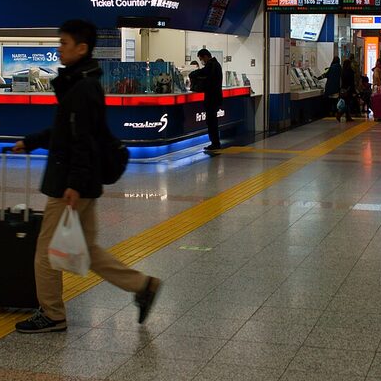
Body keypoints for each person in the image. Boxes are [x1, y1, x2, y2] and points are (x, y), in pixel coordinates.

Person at [12, 20, 160, 334]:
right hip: (84, 180)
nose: (58, 48)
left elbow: (82, 140)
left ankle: (52, 314)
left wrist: (73, 185)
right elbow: (68, 131)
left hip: (72, 183)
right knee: (87, 250)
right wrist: (33, 141)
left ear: (81, 48)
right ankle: (142, 285)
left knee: (44, 252)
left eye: (64, 43)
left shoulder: (81, 87)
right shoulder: (81, 82)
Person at [189, 48, 223, 151]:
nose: (201, 62)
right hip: (215, 97)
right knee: (213, 121)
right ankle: (215, 142)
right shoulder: (216, 64)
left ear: (205, 56)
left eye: (201, 59)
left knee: (211, 122)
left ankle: (215, 143)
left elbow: (203, 73)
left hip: (212, 98)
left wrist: (193, 74)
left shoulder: (211, 65)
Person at [338, 58, 355, 122]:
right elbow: (352, 82)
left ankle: (347, 116)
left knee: (346, 103)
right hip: (349, 90)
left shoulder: (343, 71)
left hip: (343, 89)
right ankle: (340, 114)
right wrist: (353, 90)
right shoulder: (350, 71)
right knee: (347, 103)